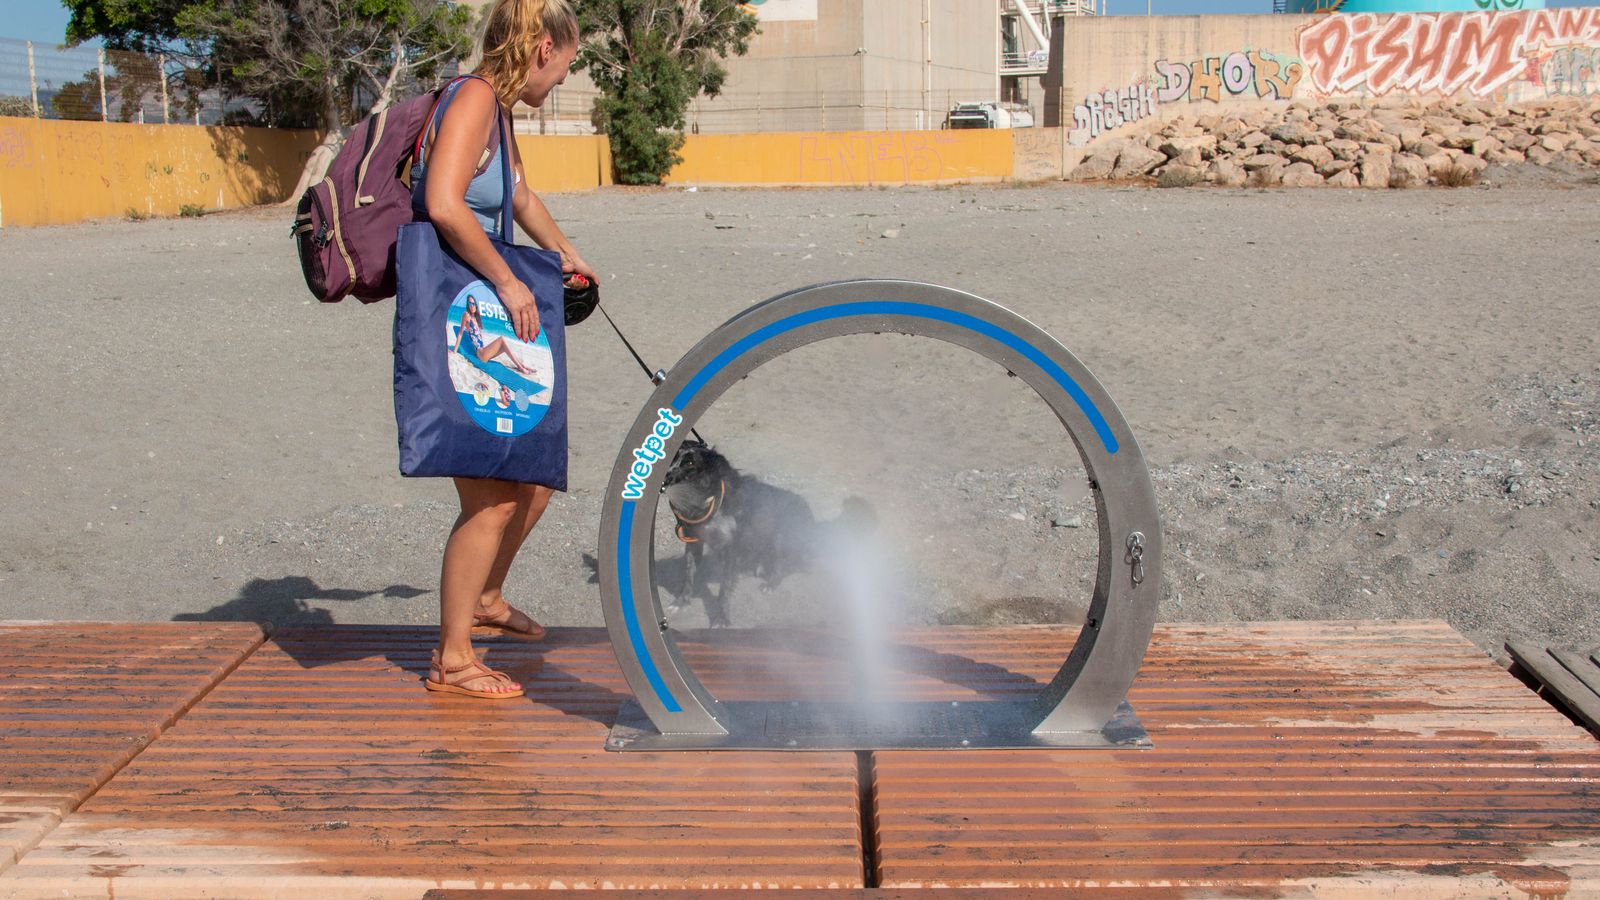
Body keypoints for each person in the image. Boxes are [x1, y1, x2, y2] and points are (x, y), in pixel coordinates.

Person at [411, 0, 594, 699]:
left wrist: (567, 252)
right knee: (488, 498)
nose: (563, 82)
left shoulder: (500, 109)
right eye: (567, 66)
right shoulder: (474, 99)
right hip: (455, 317)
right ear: (543, 47)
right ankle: (453, 660)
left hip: (479, 309)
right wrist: (512, 278)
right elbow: (445, 202)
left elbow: (516, 194)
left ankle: (486, 598)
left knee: (534, 479)